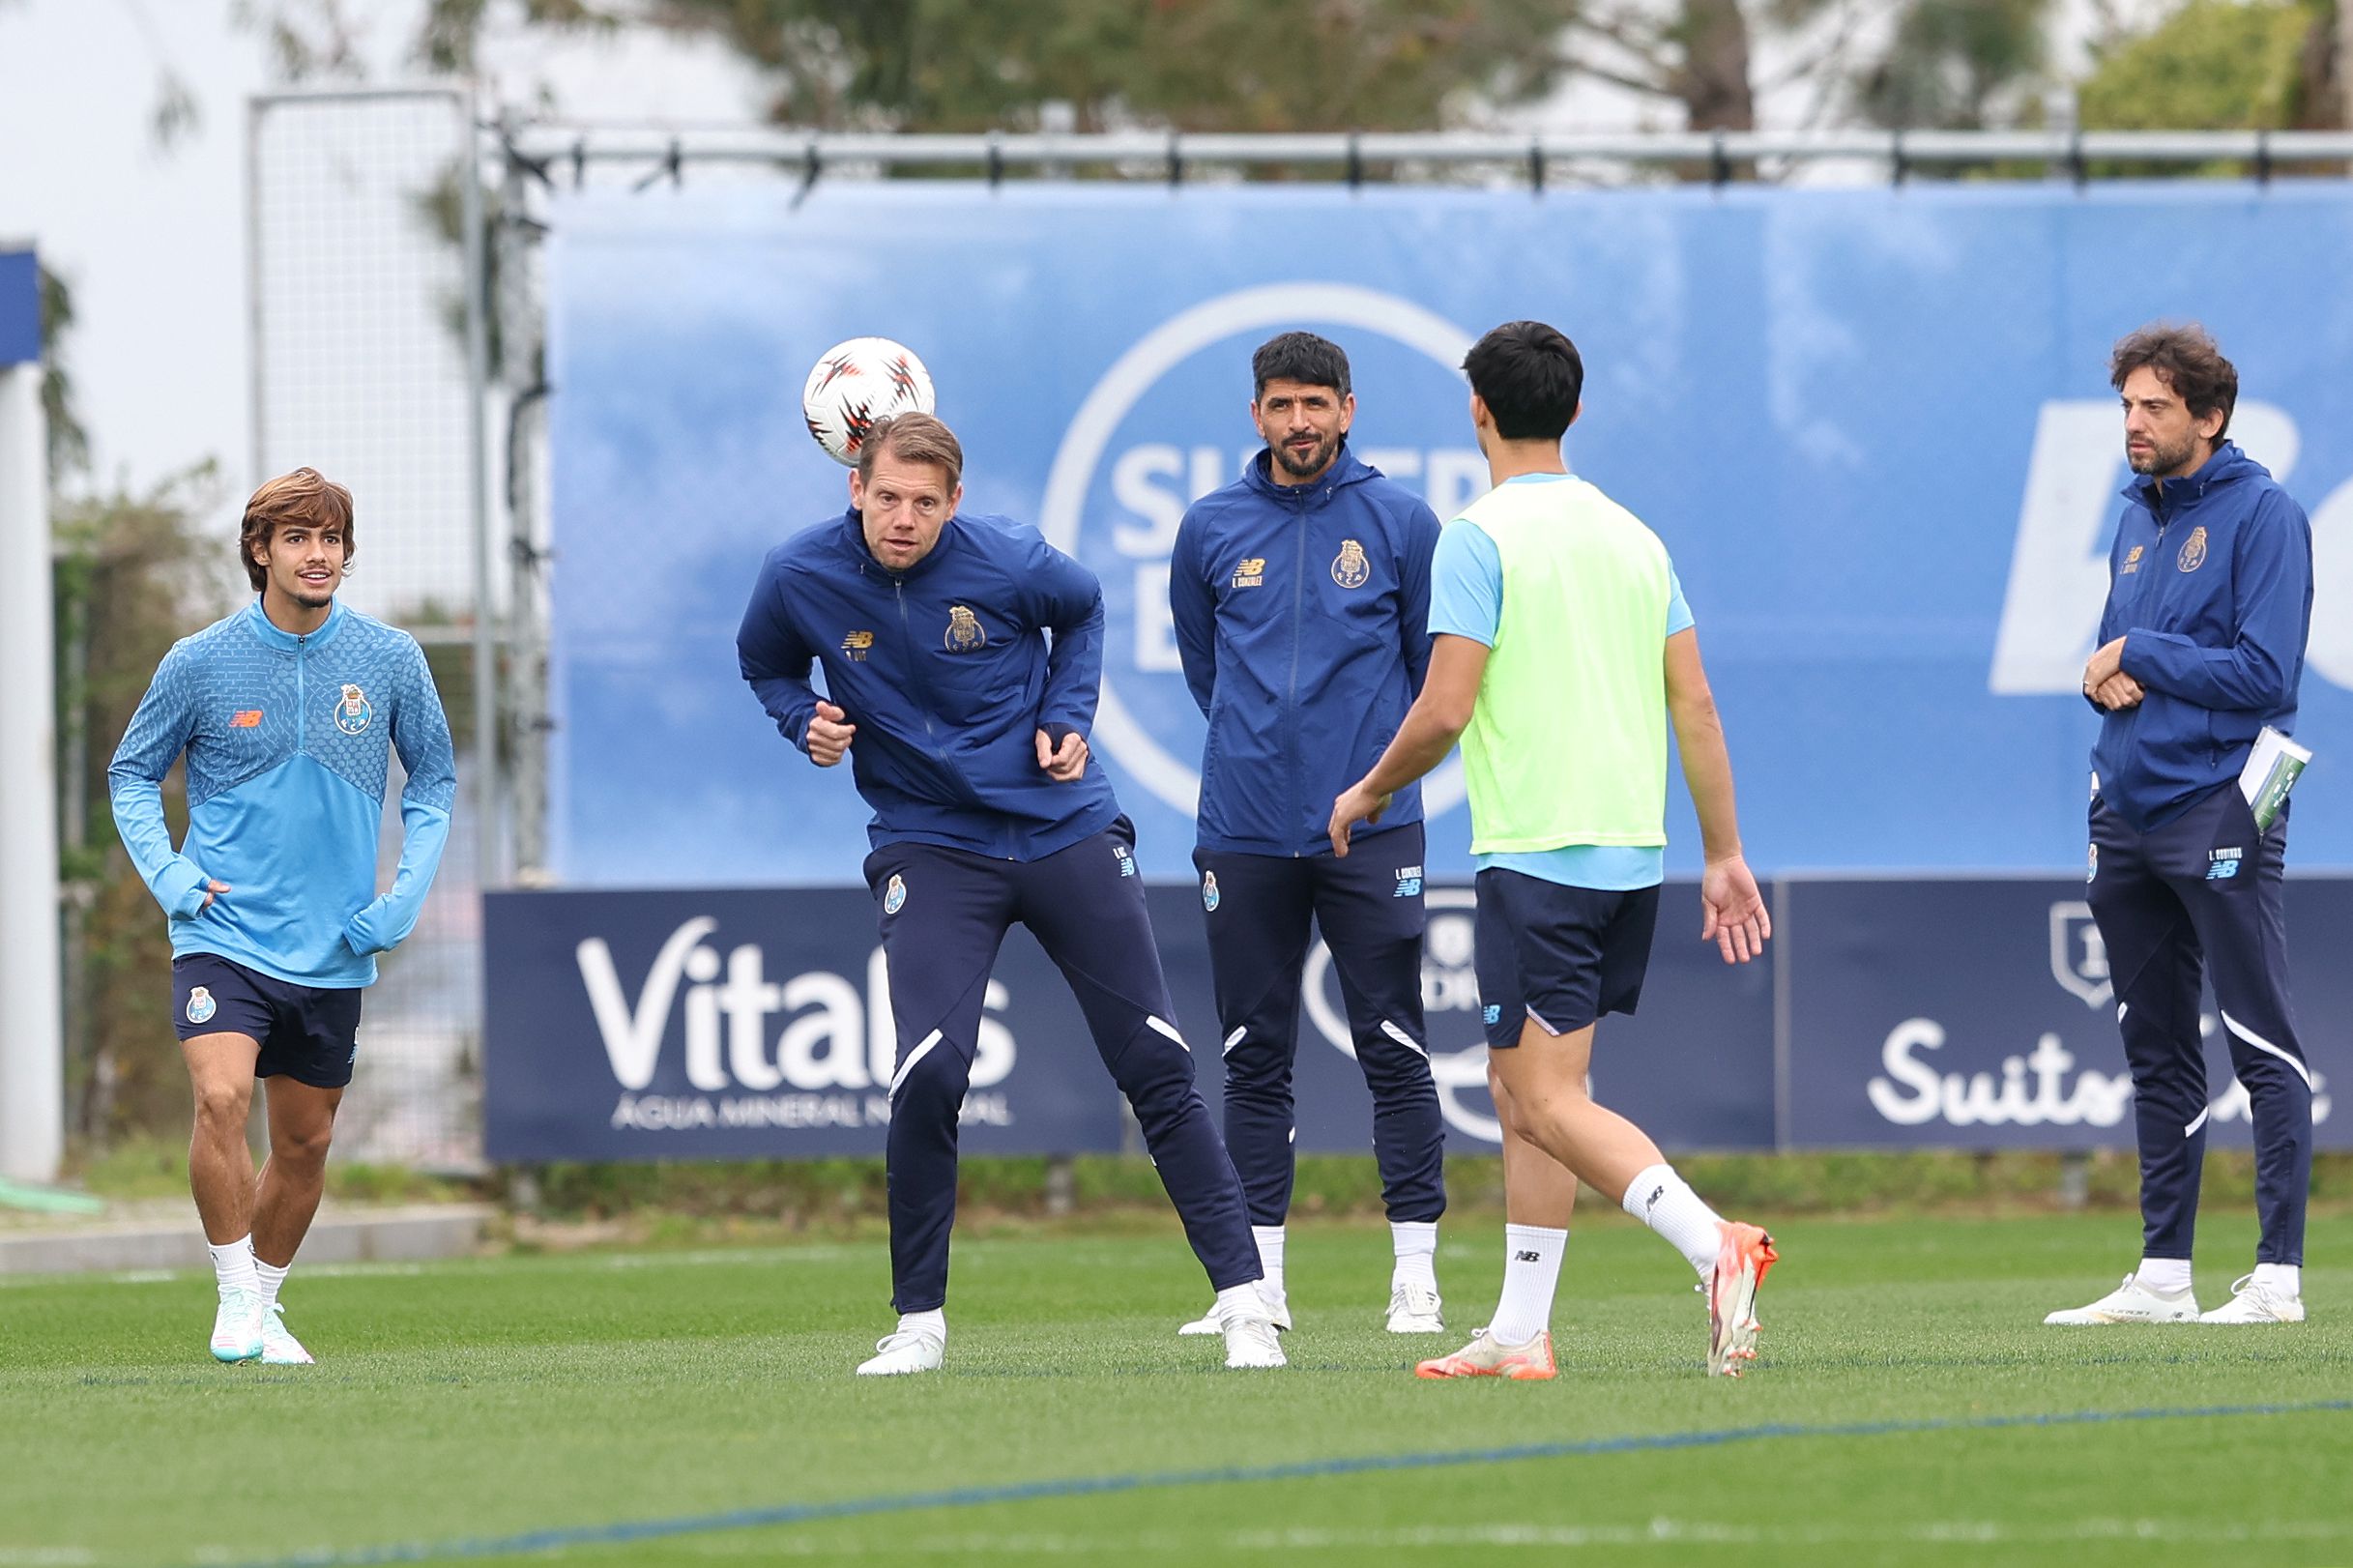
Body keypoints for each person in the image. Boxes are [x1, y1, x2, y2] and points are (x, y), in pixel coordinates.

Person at [737, 412, 1282, 1375]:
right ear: (854, 488)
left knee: (1154, 1060)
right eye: (888, 498)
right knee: (930, 1072)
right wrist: (801, 720)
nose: (904, 518)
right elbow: (765, 662)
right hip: (930, 845)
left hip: (1063, 825)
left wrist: (1068, 712)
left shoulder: (1013, 558)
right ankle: (917, 1325)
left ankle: (1245, 1303)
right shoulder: (797, 574)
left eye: (925, 503)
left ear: (954, 503)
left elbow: (1082, 608)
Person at [1329, 320, 1778, 1380]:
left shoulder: (1476, 537)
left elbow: (1443, 710)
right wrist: (1723, 852)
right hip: (1630, 852)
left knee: (1542, 1098)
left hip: (1538, 850)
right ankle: (1522, 1330)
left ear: (1476, 410)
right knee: (1521, 1082)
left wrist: (1367, 787)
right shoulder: (1635, 537)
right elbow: (1696, 705)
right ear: (1574, 411)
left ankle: (1715, 1244)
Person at [108, 467, 455, 1366]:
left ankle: (264, 1304)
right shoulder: (199, 661)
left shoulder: (390, 660)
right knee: (220, 1098)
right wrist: (174, 881)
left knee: (304, 1145)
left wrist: (402, 899)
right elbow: (131, 775)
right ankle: (232, 1297)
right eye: (298, 538)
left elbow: (435, 785)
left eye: (331, 539)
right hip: (220, 934)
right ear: (260, 550)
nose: (319, 554)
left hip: (336, 948)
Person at [1166, 332, 1449, 1338]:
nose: (1299, 422)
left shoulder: (1402, 522)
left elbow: (1429, 676)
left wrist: (1367, 778)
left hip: (1371, 830)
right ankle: (1258, 1285)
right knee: (1252, 1053)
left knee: (1393, 1042)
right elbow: (1209, 672)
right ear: (1255, 415)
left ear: (1348, 408)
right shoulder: (1207, 526)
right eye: (1281, 405)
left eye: (1315, 404)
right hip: (1242, 829)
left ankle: (1414, 1273)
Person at [2048, 323, 2314, 1328]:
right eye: (2125, 405)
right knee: (2153, 1044)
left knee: (2256, 1032)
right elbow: (2131, 657)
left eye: (2154, 406)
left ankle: (2277, 1278)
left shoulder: (2265, 515)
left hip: (2225, 800)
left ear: (2208, 416)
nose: (2133, 423)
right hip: (2125, 803)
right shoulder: (2133, 517)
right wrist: (2097, 669)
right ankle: (2163, 1274)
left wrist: (2138, 650)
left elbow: (2265, 675)